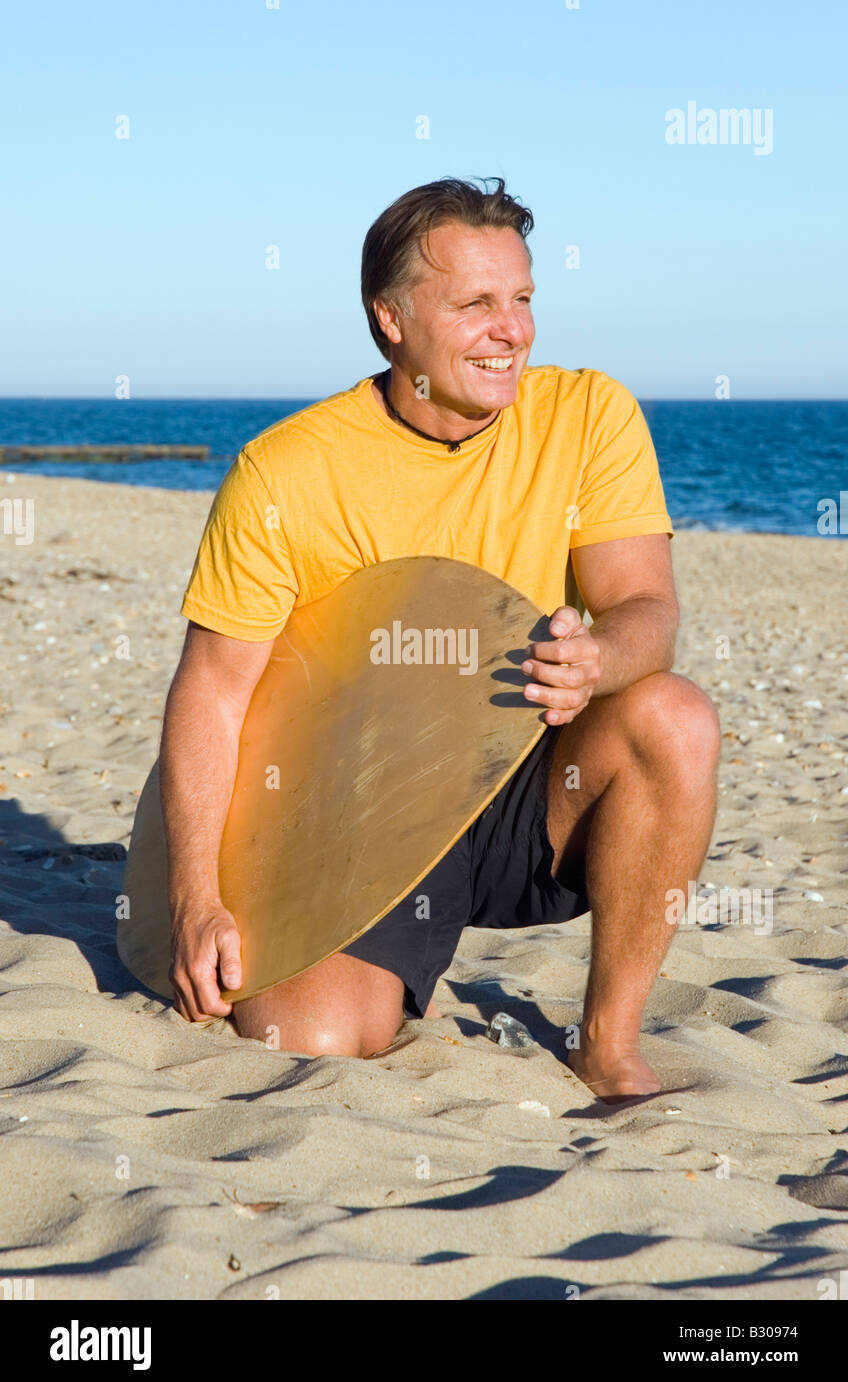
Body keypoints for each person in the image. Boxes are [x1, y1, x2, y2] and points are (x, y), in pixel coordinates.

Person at [162, 176, 720, 1099]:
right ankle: (384, 969)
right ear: (391, 319)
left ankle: (607, 1043)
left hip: (524, 779)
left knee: (676, 717)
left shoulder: (588, 417)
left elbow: (646, 611)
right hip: (353, 807)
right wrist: (193, 897)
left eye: (524, 299)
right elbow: (213, 691)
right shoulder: (287, 472)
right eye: (475, 305)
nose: (513, 330)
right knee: (313, 1038)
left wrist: (600, 660)